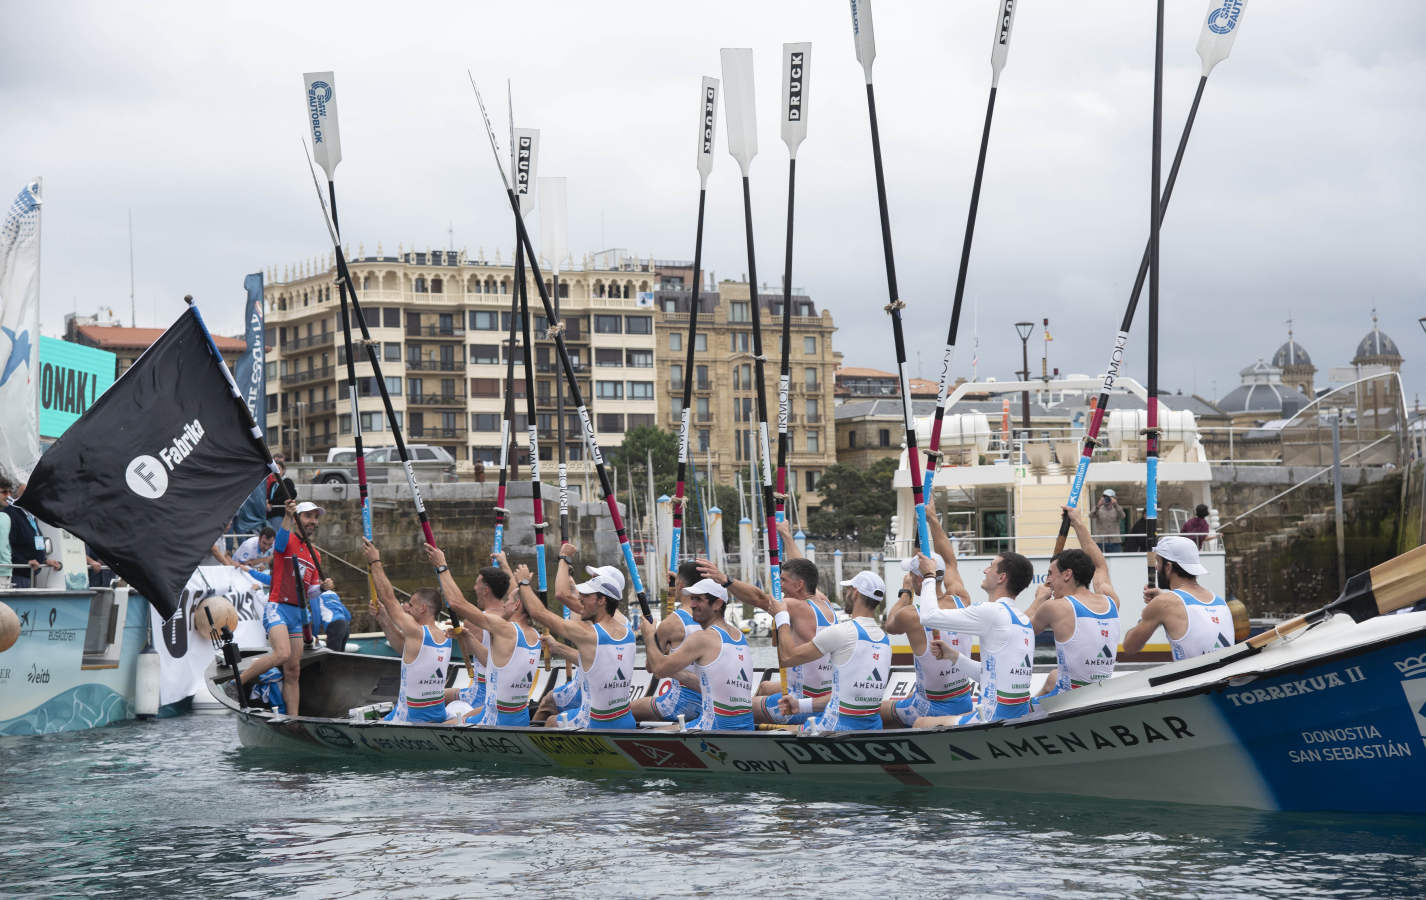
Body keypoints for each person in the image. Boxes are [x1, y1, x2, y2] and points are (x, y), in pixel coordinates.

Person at [906, 550, 1036, 727]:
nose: (985, 570)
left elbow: (928, 617)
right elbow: (988, 676)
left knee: (919, 723)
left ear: (1001, 578)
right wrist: (953, 656)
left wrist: (929, 575)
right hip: (1017, 715)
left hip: (994, 718)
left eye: (991, 566)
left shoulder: (992, 611)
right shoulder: (1023, 621)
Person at [522, 541, 636, 730]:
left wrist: (523, 583)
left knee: (550, 721)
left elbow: (539, 612)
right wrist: (557, 647)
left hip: (597, 722)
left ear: (601, 600)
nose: (581, 599)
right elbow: (597, 660)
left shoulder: (590, 633)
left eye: (587, 594)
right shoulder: (629, 633)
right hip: (626, 720)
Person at [763, 564, 890, 734]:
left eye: (848, 590)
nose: (846, 594)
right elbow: (843, 696)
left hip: (834, 726)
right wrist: (799, 705)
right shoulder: (885, 640)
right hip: (873, 727)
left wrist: (782, 617)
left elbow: (787, 657)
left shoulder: (841, 632)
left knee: (757, 713)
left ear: (856, 593)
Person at [879, 506, 976, 726]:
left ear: (920, 580)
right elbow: (951, 562)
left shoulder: (912, 614)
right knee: (903, 700)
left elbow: (890, 625)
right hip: (964, 700)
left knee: (876, 709)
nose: (909, 579)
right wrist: (932, 517)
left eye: (911, 576)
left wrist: (905, 593)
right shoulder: (962, 598)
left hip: (928, 706)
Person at [426, 544, 542, 726]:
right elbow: (519, 597)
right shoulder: (535, 635)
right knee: (459, 714)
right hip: (517, 715)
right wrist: (518, 580)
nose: (505, 603)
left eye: (509, 601)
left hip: (495, 719)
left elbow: (457, 602)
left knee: (439, 725)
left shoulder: (504, 629)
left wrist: (442, 566)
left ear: (517, 605)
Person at [715, 553, 836, 725]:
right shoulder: (826, 604)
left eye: (783, 580)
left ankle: (746, 729)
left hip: (800, 704)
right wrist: (785, 535)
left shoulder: (795, 606)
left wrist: (725, 581)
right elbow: (805, 567)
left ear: (800, 584)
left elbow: (758, 598)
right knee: (765, 687)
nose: (779, 586)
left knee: (736, 708)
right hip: (819, 694)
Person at [237, 499, 327, 716]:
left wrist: (323, 588)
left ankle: (293, 719)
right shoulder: (286, 541)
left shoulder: (315, 554)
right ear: (298, 519)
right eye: (308, 516)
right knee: (282, 654)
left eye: (315, 517)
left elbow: (311, 591)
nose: (312, 521)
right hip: (278, 606)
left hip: (298, 614)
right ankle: (236, 682)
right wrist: (287, 515)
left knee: (293, 671)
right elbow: (278, 545)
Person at [639, 577, 755, 731]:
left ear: (718, 604)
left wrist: (649, 635)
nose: (692, 605)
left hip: (713, 728)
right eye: (692, 599)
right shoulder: (739, 635)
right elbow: (707, 683)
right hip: (746, 726)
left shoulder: (703, 638)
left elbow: (658, 669)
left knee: (652, 734)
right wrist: (671, 665)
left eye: (699, 600)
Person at [1031, 504, 1122, 700]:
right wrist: (1078, 523)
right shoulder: (1111, 600)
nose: (1048, 581)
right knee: (1053, 677)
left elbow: (1021, 631)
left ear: (1067, 575)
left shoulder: (1055, 607)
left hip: (1069, 699)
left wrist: (1039, 599)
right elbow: (1099, 565)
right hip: (1101, 693)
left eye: (1050, 575)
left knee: (1025, 707)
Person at [362, 538, 450, 723]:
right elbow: (404, 650)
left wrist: (374, 561)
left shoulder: (417, 631)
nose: (407, 608)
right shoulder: (444, 636)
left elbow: (388, 597)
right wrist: (384, 619)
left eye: (411, 605)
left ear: (423, 609)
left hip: (409, 716)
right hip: (438, 715)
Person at [1124, 535, 1233, 659]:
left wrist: (1149, 612)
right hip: (1224, 676)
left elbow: (1129, 647)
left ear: (1169, 567)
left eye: (1158, 561)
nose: (1156, 567)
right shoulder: (1220, 602)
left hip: (1194, 678)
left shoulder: (1163, 603)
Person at [631, 560, 706, 724]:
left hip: (681, 702)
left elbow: (652, 667)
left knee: (625, 711)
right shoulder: (710, 616)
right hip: (709, 699)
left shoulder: (672, 623)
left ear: (680, 585)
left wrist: (649, 635)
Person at [4, 480, 60, 588]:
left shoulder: (30, 516)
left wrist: (44, 560)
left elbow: (33, 540)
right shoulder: (11, 514)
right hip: (17, 574)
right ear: (18, 497)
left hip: (29, 573)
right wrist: (24, 562)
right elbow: (7, 546)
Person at [264, 456, 297, 531]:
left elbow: (288, 496)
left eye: (278, 469)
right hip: (270, 514)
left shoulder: (287, 481)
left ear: (283, 470)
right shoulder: (273, 484)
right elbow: (270, 497)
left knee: (277, 535)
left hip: (280, 514)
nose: (275, 472)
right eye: (273, 470)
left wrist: (270, 502)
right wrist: (267, 501)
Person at [1090, 489, 1124, 554]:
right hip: (1101, 541)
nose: (1107, 499)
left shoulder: (1117, 509)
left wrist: (1116, 504)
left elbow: (1122, 516)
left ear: (1114, 498)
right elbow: (1091, 516)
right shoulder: (1098, 509)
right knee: (1100, 562)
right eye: (1105, 497)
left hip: (1115, 542)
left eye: (1109, 497)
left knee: (1117, 561)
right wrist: (1097, 506)